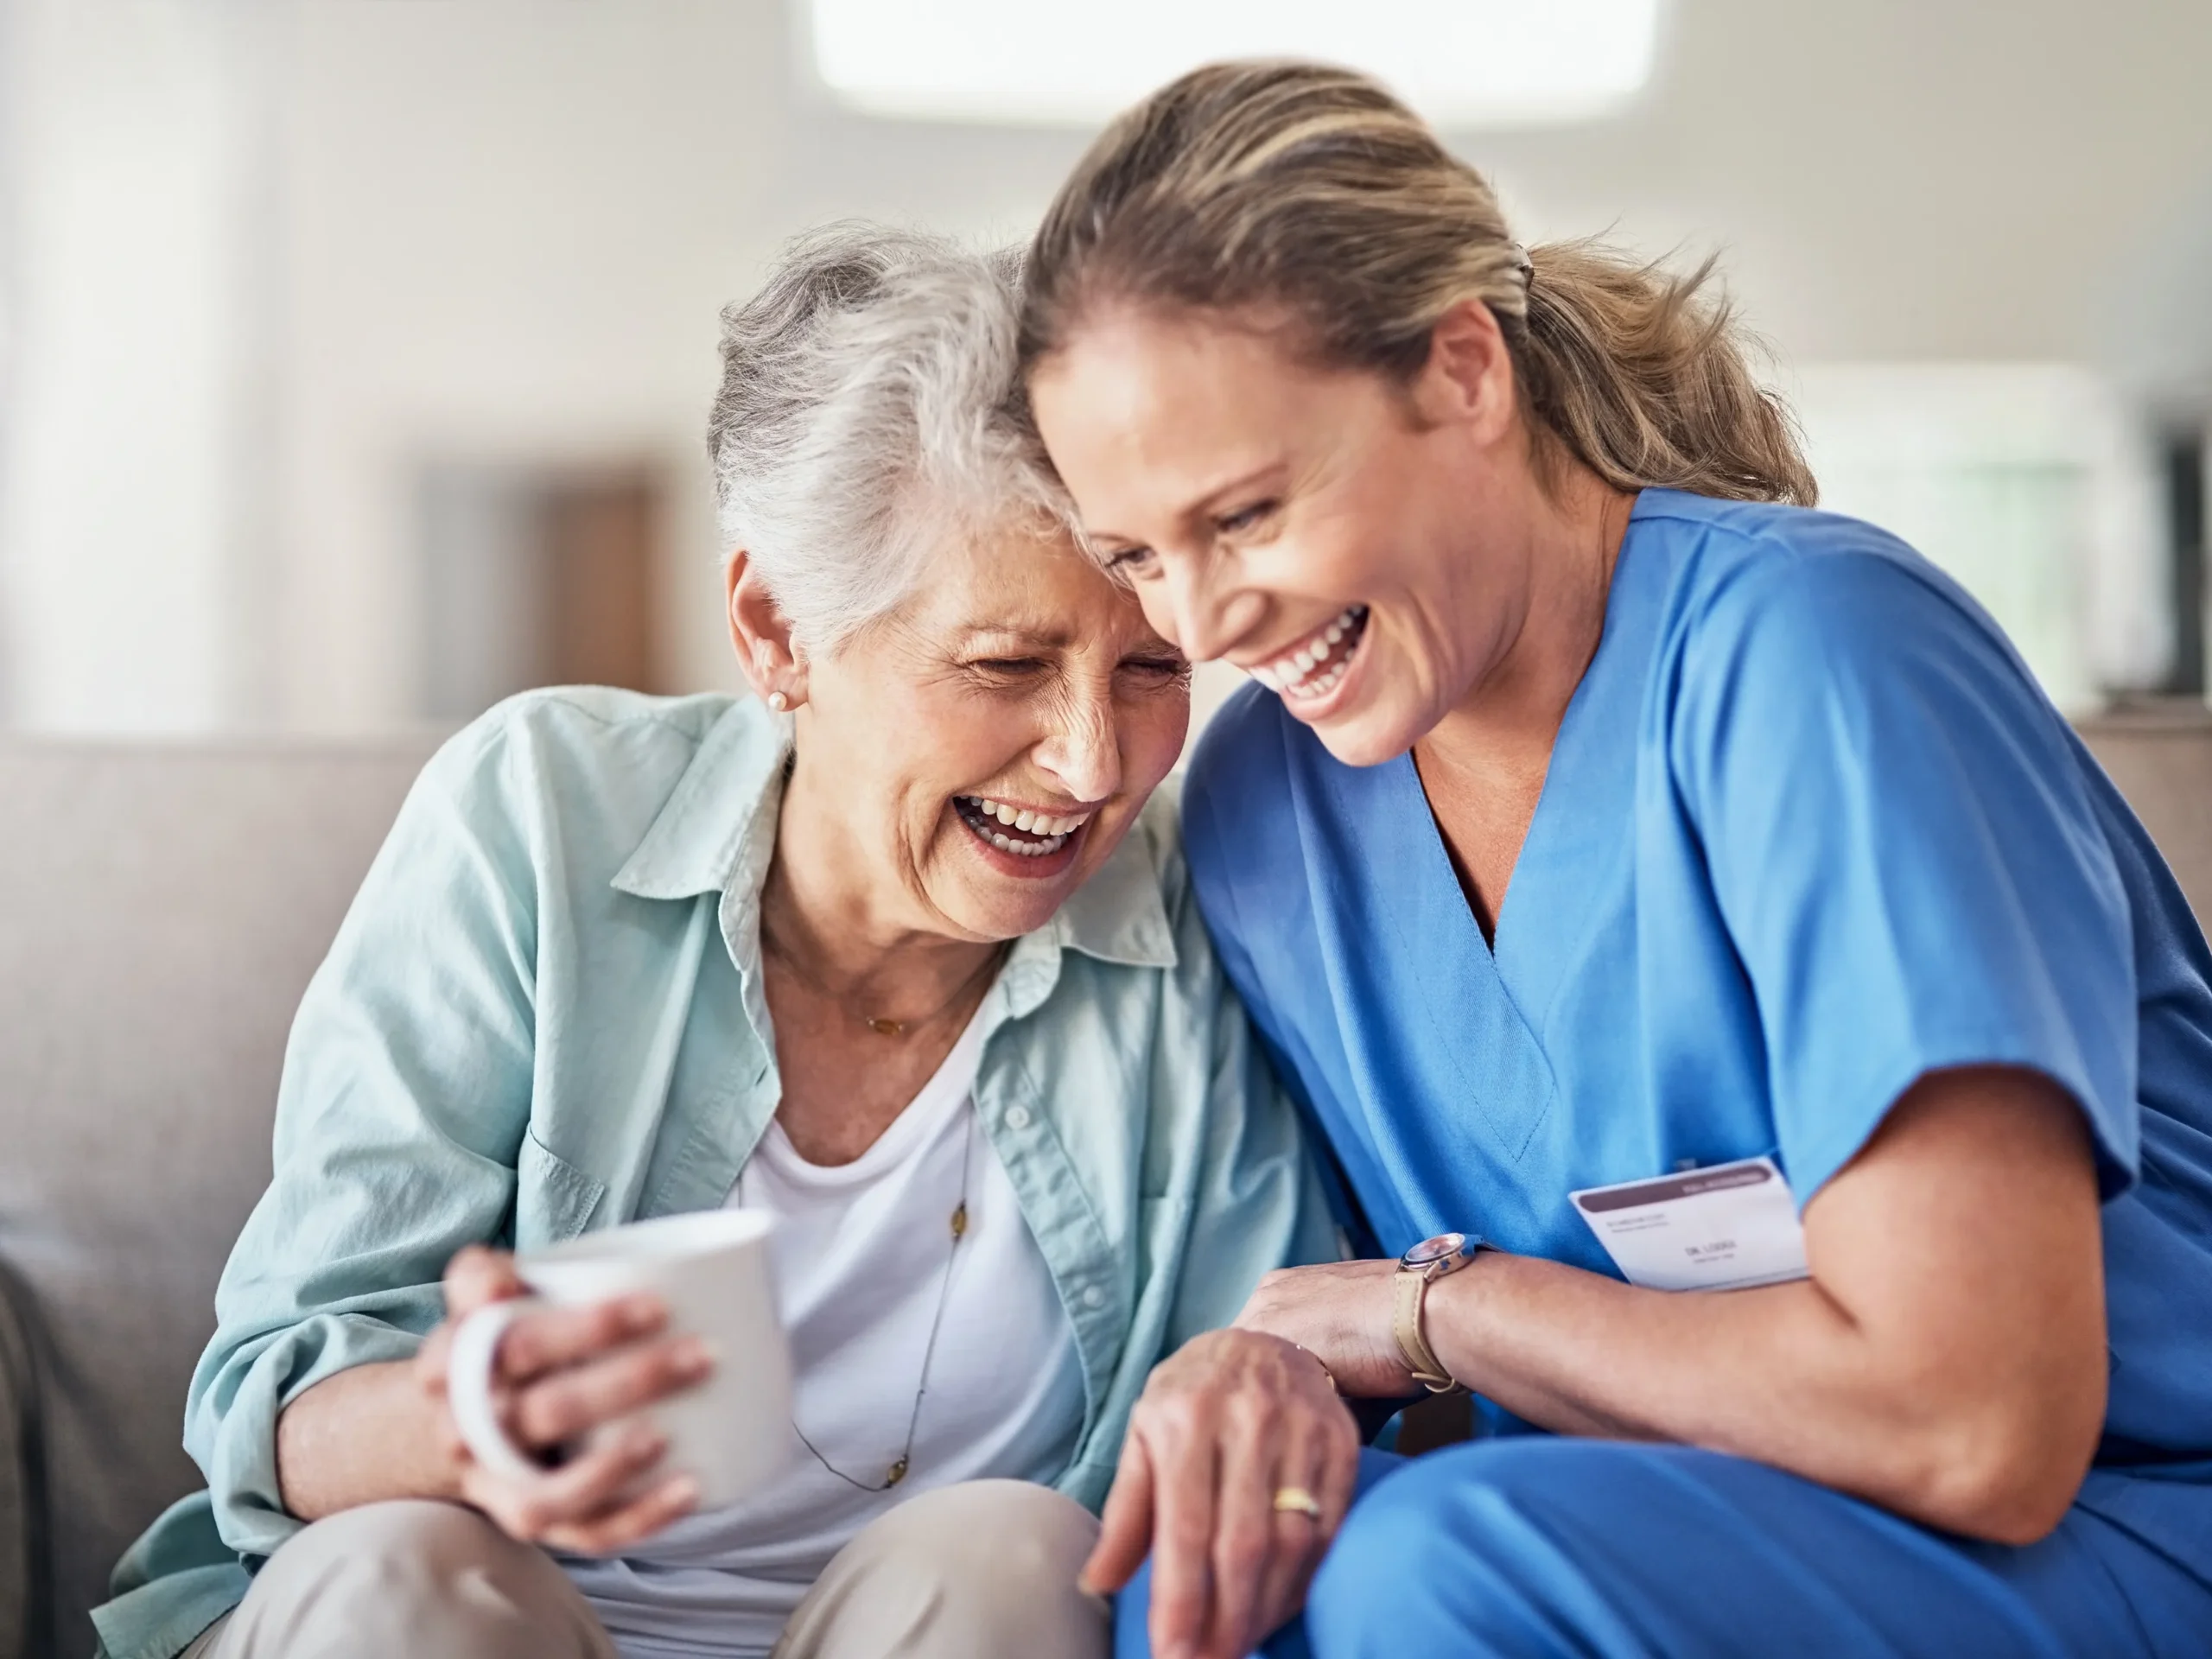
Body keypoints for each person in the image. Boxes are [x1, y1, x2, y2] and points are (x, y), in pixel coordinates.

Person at [1017, 60, 2212, 1659]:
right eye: (1137, 557)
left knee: (1435, 1568)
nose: (1206, 623)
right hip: (1686, 1513)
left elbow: (1976, 1427)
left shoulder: (1817, 658)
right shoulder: (1266, 809)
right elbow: (1378, 1345)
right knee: (1218, 1573)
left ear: (1461, 373)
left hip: (2119, 1509)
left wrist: (1442, 1309)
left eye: (1246, 515)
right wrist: (1267, 1373)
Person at [91, 225, 1333, 1659]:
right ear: (776, 630)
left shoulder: (1201, 904)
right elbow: (275, 1399)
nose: (1091, 762)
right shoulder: (542, 818)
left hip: (941, 1628)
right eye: (1004, 665)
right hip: (497, 1615)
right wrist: (470, 1412)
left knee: (1016, 1556)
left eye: (1151, 668)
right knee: (400, 1585)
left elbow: (1269, 1371)